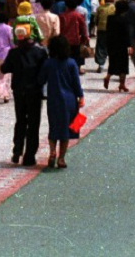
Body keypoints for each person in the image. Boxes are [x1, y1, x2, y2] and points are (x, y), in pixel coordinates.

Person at [1, 25, 48, 165]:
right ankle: (29, 155)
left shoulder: (13, 53)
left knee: (20, 120)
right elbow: (44, 71)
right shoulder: (40, 53)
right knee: (34, 123)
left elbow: (5, 68)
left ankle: (17, 150)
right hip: (34, 91)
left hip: (19, 91)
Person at [38, 35, 85, 169]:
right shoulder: (71, 63)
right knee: (67, 129)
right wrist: (81, 97)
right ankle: (61, 158)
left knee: (54, 126)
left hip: (53, 99)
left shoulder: (48, 63)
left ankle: (52, 151)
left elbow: (41, 80)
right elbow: (76, 83)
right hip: (70, 99)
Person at [104, 0, 133, 92]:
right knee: (123, 65)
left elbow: (108, 31)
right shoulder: (125, 20)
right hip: (122, 45)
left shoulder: (110, 18)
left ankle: (108, 76)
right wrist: (129, 45)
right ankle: (122, 84)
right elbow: (126, 34)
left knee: (113, 62)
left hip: (111, 44)